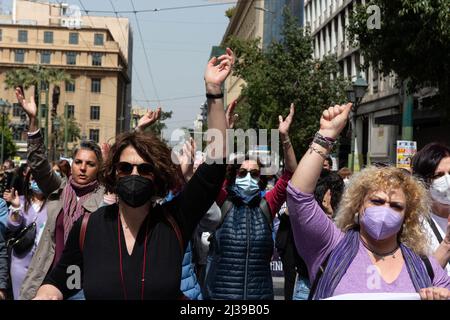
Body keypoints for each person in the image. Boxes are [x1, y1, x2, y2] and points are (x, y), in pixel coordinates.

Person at [33, 48, 234, 300]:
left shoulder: (175, 221)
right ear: (113, 173)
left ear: (158, 176)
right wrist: (47, 293)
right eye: (126, 168)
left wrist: (214, 91)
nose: (134, 174)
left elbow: (215, 166)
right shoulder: (89, 227)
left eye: (145, 168)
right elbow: (64, 277)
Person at [287, 103, 450, 300]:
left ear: (407, 216)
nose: (385, 210)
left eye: (396, 206)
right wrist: (325, 136)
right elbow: (298, 197)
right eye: (377, 201)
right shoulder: (330, 245)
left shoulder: (426, 267)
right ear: (358, 204)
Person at [14, 88, 106, 300]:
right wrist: (33, 119)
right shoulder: (59, 189)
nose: (83, 168)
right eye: (79, 162)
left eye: (90, 164)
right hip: (50, 279)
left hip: (86, 284)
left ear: (99, 168)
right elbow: (38, 162)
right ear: (72, 166)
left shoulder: (105, 197)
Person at [204, 103, 298, 300]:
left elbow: (290, 174)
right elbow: (211, 172)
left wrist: (285, 138)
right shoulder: (224, 201)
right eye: (243, 172)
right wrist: (224, 135)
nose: (248, 177)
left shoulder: (267, 205)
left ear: (261, 178)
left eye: (254, 174)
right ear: (234, 176)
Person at [4, 172, 48, 299]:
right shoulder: (21, 200)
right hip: (20, 260)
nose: (37, 182)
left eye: (41, 178)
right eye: (33, 179)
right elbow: (12, 225)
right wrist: (16, 208)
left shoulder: (53, 204)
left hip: (43, 263)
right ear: (28, 181)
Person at [412, 142, 450, 274]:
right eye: (438, 175)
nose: (447, 180)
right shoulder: (414, 226)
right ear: (423, 182)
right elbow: (420, 277)